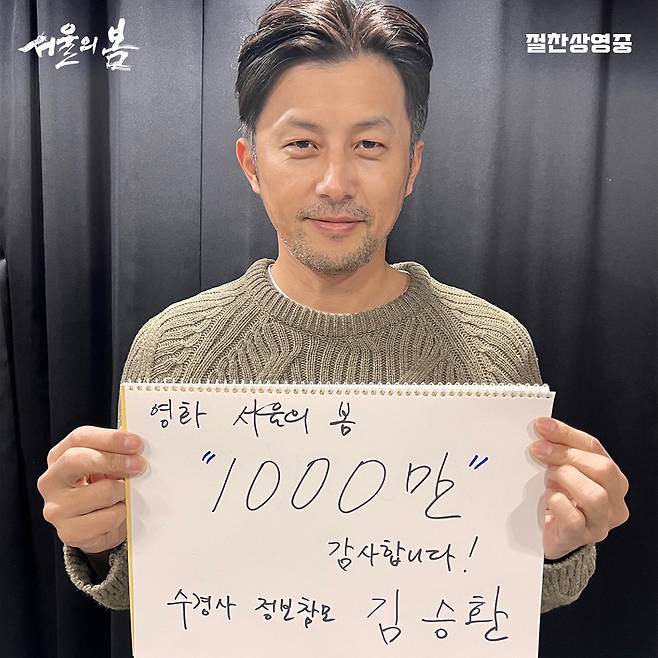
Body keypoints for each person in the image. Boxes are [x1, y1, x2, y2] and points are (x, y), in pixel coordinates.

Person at [37, 0, 629, 616]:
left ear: (411, 166)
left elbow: (502, 602)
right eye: (302, 144)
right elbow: (155, 598)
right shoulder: (175, 350)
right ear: (251, 164)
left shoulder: (491, 350)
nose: (335, 183)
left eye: (370, 144)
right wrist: (99, 540)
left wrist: (558, 547)